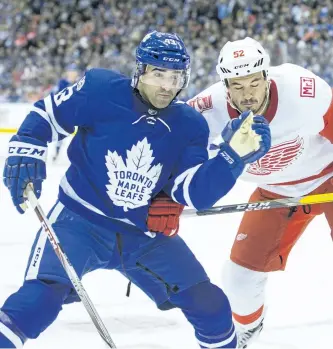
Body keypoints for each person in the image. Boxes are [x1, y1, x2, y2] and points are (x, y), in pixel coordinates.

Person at [1, 31, 271, 348]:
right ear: (140, 70)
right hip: (78, 223)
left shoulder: (190, 124)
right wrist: (27, 146)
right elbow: (48, 113)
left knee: (212, 307)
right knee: (37, 303)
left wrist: (231, 158)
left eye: (175, 76)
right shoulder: (100, 90)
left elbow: (192, 191)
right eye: (159, 74)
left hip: (142, 236)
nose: (168, 86)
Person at [147, 36, 333, 348]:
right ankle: (246, 332)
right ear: (225, 86)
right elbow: (168, 160)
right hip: (274, 192)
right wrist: (164, 196)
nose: (247, 95)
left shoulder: (304, 90)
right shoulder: (204, 113)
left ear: (266, 77)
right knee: (239, 277)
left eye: (253, 83)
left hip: (329, 176)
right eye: (237, 86)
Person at [52, 64, 81, 162]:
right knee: (61, 135)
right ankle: (56, 153)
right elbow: (56, 97)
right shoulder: (62, 83)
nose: (72, 73)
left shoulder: (80, 83)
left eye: (74, 71)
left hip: (78, 113)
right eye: (70, 71)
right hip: (65, 113)